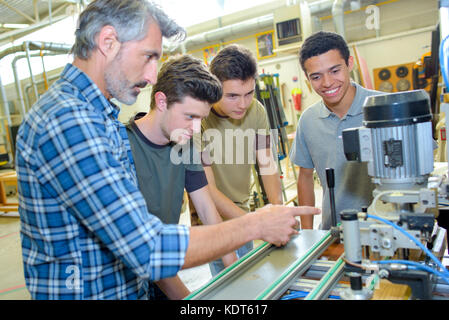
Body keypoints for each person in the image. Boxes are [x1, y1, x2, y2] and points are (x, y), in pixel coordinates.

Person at [15, 0, 320, 300]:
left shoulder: (101, 119)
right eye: (148, 56)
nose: (150, 76)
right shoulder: (68, 120)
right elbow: (146, 247)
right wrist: (255, 223)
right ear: (107, 41)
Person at [126, 54, 237, 299]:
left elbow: (209, 213)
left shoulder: (184, 146)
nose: (196, 129)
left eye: (201, 119)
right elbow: (141, 245)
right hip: (130, 278)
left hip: (165, 269)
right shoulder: (123, 147)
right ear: (162, 101)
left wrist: (239, 274)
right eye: (190, 117)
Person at [194, 44, 283, 276]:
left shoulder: (257, 111)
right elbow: (208, 190)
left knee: (253, 281)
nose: (243, 104)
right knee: (231, 286)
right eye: (232, 96)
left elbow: (267, 166)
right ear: (214, 88)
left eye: (249, 93)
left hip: (243, 209)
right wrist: (258, 225)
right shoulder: (198, 121)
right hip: (212, 220)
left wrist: (278, 213)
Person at [289, 31, 381, 230]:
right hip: (334, 231)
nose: (327, 82)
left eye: (334, 71)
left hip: (385, 230)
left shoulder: (383, 108)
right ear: (307, 78)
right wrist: (307, 234)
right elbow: (305, 176)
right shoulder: (308, 120)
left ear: (350, 63)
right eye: (316, 76)